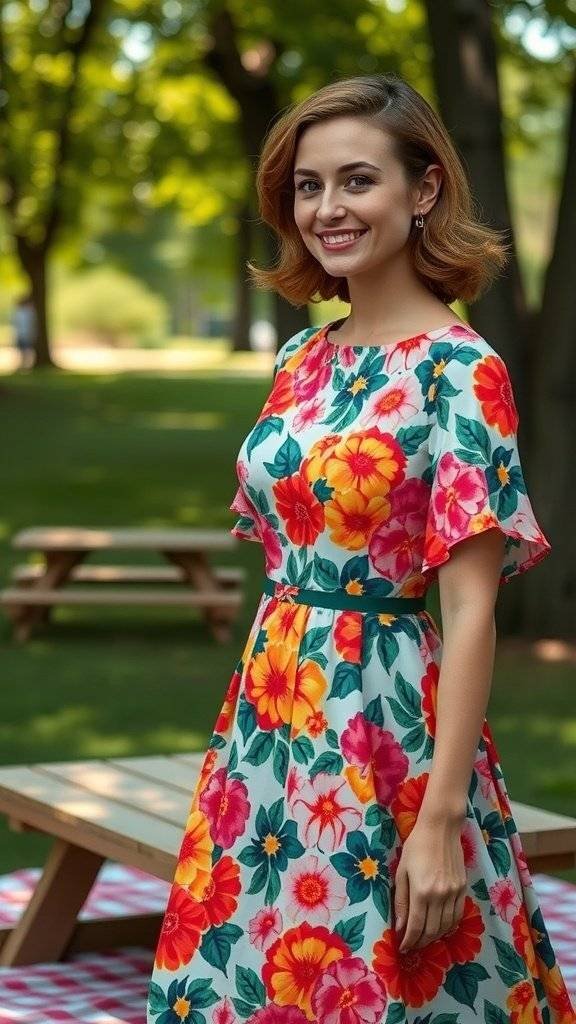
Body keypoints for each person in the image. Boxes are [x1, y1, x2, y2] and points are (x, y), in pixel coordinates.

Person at [147, 74, 574, 1023]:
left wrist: (442, 818)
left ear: (422, 191)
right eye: (308, 186)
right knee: (247, 970)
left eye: (356, 181)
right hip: (268, 718)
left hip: (384, 724)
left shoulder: (462, 371)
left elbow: (468, 609)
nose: (328, 209)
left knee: (381, 978)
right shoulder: (302, 359)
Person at [11, 294, 37, 369]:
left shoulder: (25, 312)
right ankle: (24, 364)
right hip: (23, 334)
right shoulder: (23, 312)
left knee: (26, 350)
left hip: (25, 334)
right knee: (24, 350)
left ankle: (25, 364)